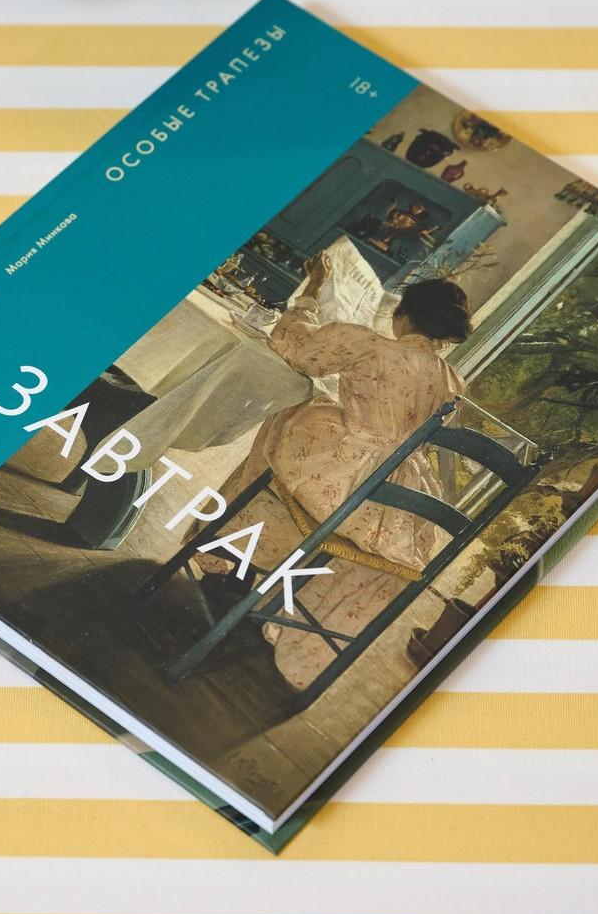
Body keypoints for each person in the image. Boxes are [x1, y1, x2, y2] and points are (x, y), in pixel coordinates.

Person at [197, 253, 472, 692]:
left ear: (402, 315)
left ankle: (237, 562)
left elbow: (294, 347)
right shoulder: (454, 382)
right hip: (392, 506)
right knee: (296, 441)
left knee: (285, 427)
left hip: (341, 481)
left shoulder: (373, 345)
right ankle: (253, 578)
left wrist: (312, 288)